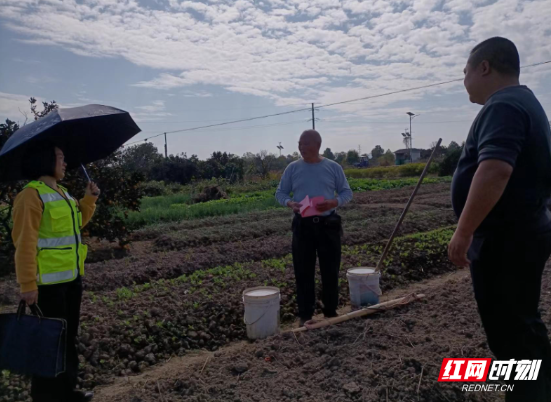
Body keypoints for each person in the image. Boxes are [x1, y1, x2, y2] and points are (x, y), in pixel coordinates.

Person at [448, 37, 551, 401]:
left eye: (465, 72)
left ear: (485, 67)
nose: (464, 81)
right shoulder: (525, 102)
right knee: (521, 323)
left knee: (512, 332)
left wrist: (464, 232)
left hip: (505, 242)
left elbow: (494, 171)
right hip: (523, 234)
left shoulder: (503, 105)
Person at [12, 143, 100, 402]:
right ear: (45, 161)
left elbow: (75, 225)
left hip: (71, 280)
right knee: (48, 345)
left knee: (67, 339)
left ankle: (66, 392)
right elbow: (25, 242)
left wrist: (88, 200)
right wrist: (27, 284)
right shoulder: (30, 195)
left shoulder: (62, 193)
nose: (64, 163)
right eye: (60, 158)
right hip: (47, 286)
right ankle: (46, 397)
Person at [276, 129, 353, 326]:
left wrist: (333, 202)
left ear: (317, 145)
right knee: (303, 271)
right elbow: (281, 193)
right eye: (300, 144)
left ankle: (330, 312)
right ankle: (305, 315)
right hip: (303, 226)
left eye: (306, 144)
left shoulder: (333, 167)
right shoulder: (292, 169)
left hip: (328, 226)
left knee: (330, 269)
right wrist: (290, 204)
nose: (301, 148)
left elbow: (346, 192)